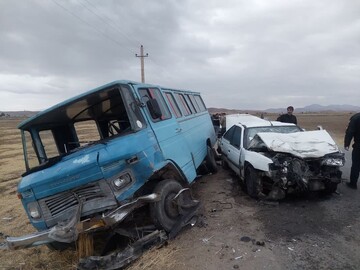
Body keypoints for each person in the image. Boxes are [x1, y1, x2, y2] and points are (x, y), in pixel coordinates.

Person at [344, 112, 360, 189]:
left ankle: (353, 184)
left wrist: (347, 144)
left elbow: (350, 131)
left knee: (356, 165)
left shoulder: (356, 117)